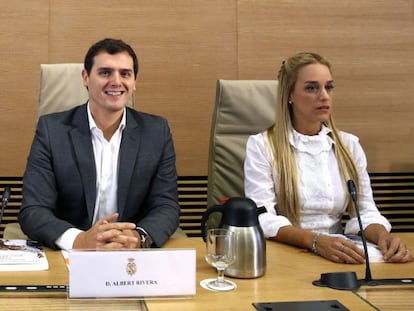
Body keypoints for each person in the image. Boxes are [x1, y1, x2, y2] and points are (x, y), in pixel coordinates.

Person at [244, 52, 412, 264]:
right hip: (285, 254)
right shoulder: (262, 145)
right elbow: (263, 217)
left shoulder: (348, 145)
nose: (324, 96)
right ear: (289, 95)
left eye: (328, 87)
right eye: (312, 88)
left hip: (337, 252)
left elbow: (365, 212)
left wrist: (383, 237)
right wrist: (316, 241)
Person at [19, 38, 180, 251]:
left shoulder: (156, 132)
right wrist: (79, 240)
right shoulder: (52, 131)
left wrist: (138, 237)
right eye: (105, 73)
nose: (116, 81)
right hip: (69, 255)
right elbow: (33, 209)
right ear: (85, 77)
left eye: (125, 74)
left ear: (134, 81)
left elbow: (166, 206)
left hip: (129, 257)